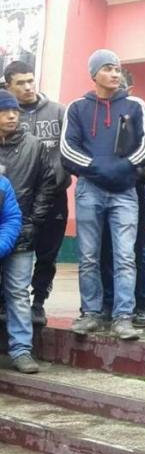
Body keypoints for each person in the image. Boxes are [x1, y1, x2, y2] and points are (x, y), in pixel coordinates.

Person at [61, 49, 145, 340]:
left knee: (125, 255)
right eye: (108, 68)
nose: (115, 74)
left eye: (117, 69)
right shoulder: (77, 107)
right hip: (90, 189)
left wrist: (123, 167)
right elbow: (68, 148)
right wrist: (98, 167)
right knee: (88, 255)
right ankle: (91, 313)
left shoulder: (136, 105)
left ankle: (123, 317)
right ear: (94, 74)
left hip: (125, 191)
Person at [3, 61, 68, 327]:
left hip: (53, 197)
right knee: (11, 252)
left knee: (47, 254)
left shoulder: (58, 111)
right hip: (13, 202)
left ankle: (38, 301)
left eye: (31, 80)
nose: (29, 87)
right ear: (8, 86)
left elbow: (71, 150)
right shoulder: (5, 113)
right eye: (21, 83)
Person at [0, 89, 54, 372]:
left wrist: (33, 220)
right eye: (5, 111)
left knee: (18, 292)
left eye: (15, 111)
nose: (12, 116)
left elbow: (47, 184)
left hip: (21, 231)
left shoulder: (34, 145)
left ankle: (21, 350)